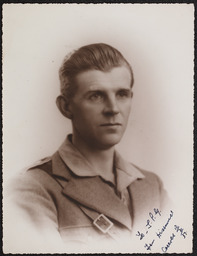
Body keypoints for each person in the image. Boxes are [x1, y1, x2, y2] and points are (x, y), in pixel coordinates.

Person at [4, 43, 170, 253]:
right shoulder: (33, 189)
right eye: (96, 96)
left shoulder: (151, 187)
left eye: (122, 94)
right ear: (66, 107)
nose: (113, 109)